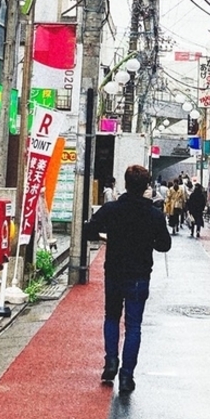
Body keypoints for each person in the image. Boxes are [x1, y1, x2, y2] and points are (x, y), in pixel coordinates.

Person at [82, 164, 172, 393]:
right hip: (139, 275)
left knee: (111, 317)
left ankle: (110, 361)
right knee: (133, 326)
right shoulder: (153, 214)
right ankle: (127, 376)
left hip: (114, 271)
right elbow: (165, 245)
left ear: (125, 183)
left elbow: (89, 230)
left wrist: (107, 238)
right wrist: (148, 241)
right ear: (146, 187)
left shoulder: (112, 209)